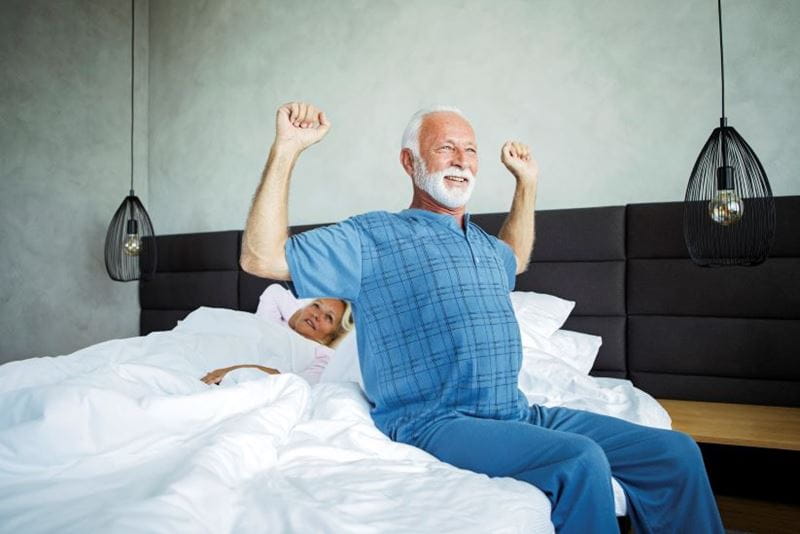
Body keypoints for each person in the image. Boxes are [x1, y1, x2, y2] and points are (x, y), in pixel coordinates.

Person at [240, 101, 724, 533]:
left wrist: (526, 184)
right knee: (579, 461)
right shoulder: (373, 237)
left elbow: (515, 257)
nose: (461, 160)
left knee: (675, 453)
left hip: (515, 412)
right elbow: (261, 258)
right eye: (445, 148)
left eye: (470, 150)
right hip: (432, 419)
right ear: (410, 162)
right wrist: (287, 150)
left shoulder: (485, 248)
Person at [201, 284, 354, 385]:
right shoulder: (274, 324)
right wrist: (298, 319)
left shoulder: (324, 356)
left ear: (332, 336)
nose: (316, 315)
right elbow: (274, 291)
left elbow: (296, 383)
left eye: (328, 317)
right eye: (316, 306)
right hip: (216, 357)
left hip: (248, 381)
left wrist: (233, 370)